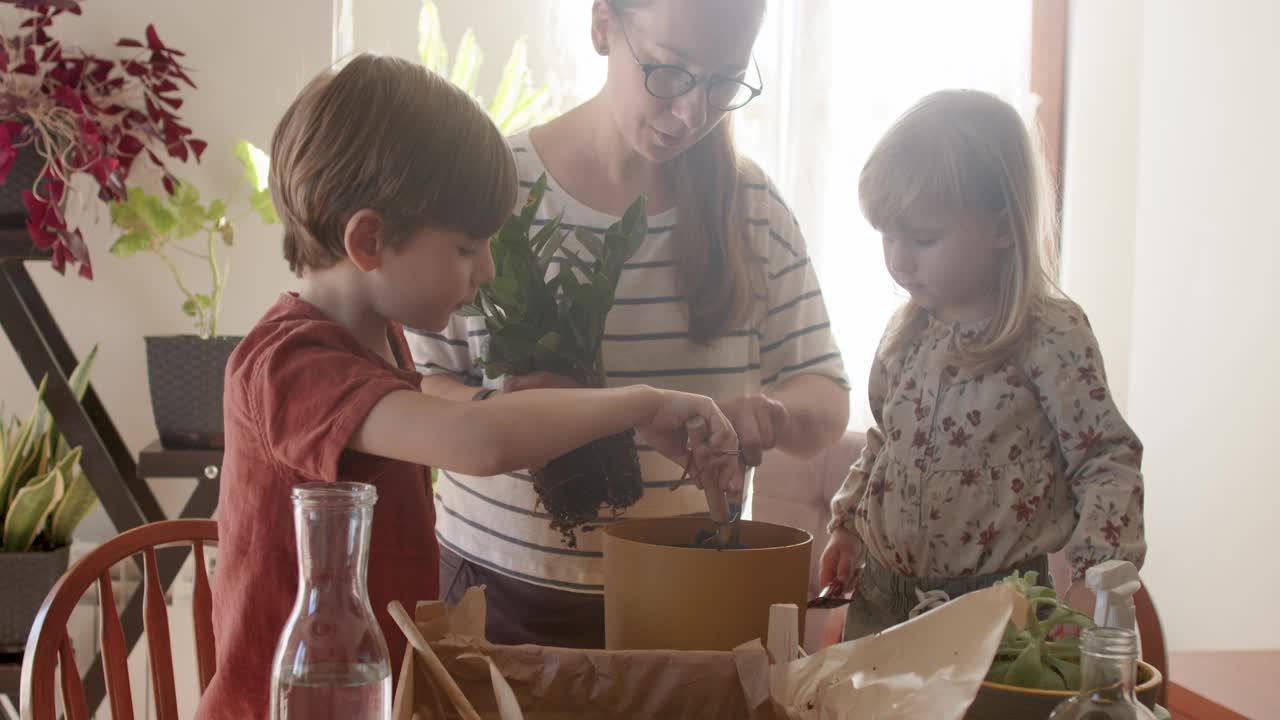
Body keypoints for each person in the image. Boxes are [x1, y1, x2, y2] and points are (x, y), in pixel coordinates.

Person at [195, 53, 740, 719]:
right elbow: (475, 442)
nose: (484, 269)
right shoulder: (289, 363)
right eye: (464, 248)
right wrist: (645, 403)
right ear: (368, 240)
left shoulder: (375, 338)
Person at [410, 0, 850, 648]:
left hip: (694, 605)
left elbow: (826, 399)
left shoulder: (751, 208)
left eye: (726, 81)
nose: (694, 112)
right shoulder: (492, 191)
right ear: (601, 25)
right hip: (498, 599)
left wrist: (773, 416)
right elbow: (421, 383)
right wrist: (511, 411)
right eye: (670, 71)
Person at [819, 89, 1147, 641]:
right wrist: (847, 524)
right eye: (888, 238)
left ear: (1001, 227)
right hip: (882, 600)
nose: (899, 261)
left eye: (923, 238)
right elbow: (885, 442)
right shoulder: (907, 333)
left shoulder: (1050, 336)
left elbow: (1106, 460)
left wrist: (1096, 579)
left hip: (1002, 613)